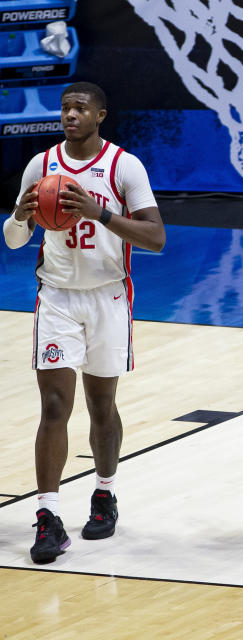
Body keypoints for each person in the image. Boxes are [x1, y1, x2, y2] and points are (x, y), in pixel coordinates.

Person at [2, 81, 165, 564]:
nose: (71, 115)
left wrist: (101, 213)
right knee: (54, 405)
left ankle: (103, 492)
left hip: (108, 297)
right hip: (55, 297)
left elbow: (156, 237)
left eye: (80, 108)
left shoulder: (123, 165)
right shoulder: (42, 166)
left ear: (101, 115)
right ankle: (47, 516)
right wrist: (18, 216)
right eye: (65, 108)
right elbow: (13, 241)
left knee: (101, 406)